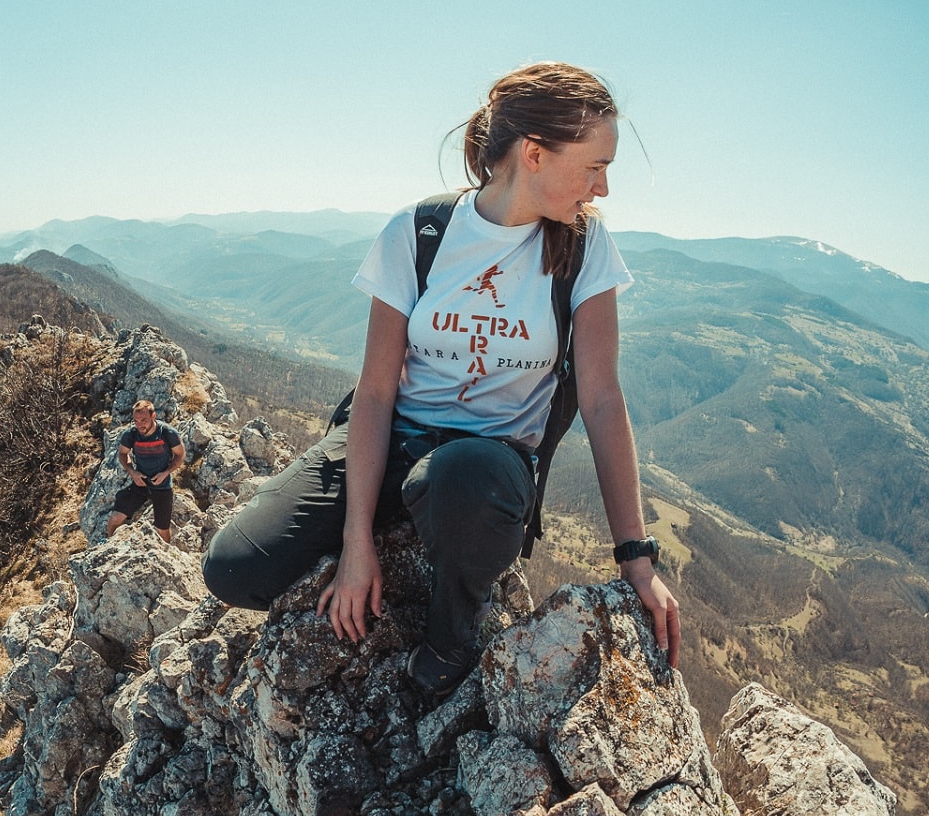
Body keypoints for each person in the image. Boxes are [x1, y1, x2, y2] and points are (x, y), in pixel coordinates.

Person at [202, 61, 679, 693]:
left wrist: (635, 556)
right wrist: (353, 543)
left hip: (488, 467)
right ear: (534, 155)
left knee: (459, 479)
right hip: (394, 436)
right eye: (596, 168)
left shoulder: (585, 248)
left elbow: (600, 396)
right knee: (235, 568)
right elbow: (374, 391)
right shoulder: (421, 233)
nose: (602, 190)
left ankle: (453, 629)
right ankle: (393, 526)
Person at [108, 399, 185, 543]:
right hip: (141, 482)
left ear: (153, 416)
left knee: (162, 529)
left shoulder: (167, 433)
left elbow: (180, 455)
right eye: (136, 421)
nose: (139, 425)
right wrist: (133, 473)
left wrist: (165, 473)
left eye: (143, 420)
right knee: (115, 518)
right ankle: (107, 545)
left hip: (162, 485)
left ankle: (165, 552)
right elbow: (123, 454)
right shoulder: (131, 434)